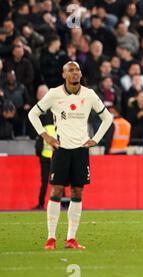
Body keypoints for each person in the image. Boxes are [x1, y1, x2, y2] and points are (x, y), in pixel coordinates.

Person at [28, 61, 113, 250]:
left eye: (77, 70)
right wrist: (45, 135)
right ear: (63, 75)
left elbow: (108, 118)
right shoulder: (54, 94)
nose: (75, 73)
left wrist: (96, 139)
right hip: (61, 149)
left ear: (81, 74)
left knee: (77, 192)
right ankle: (51, 238)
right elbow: (33, 114)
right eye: (71, 70)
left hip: (81, 150)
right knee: (56, 191)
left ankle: (71, 239)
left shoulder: (89, 95)